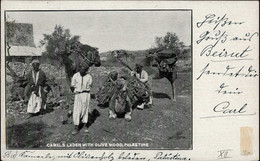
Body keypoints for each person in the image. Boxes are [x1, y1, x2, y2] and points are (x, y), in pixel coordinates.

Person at [70, 63, 92, 135]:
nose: (82, 70)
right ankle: (76, 127)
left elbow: (90, 85)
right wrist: (76, 91)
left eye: (84, 69)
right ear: (79, 69)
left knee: (85, 109)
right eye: (81, 68)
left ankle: (85, 125)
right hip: (78, 94)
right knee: (77, 110)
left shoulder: (89, 76)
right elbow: (72, 85)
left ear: (86, 70)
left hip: (86, 94)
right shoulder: (75, 76)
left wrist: (84, 90)